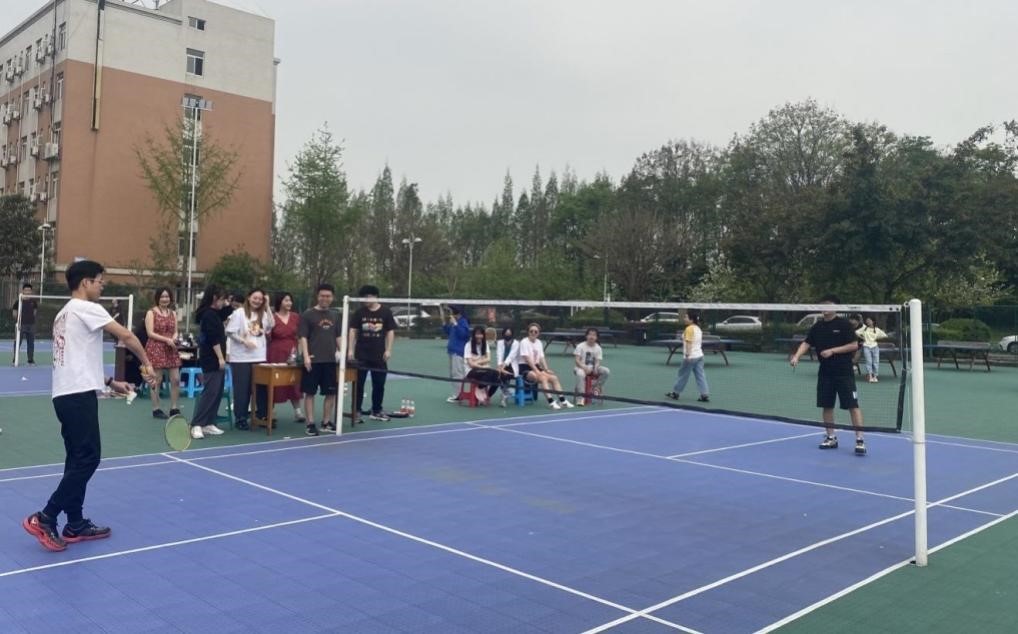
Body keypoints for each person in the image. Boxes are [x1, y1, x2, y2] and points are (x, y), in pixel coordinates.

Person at [22, 260, 157, 552]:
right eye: (99, 281)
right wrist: (147, 364)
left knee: (76, 459)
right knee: (88, 459)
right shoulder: (87, 308)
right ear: (85, 283)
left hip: (65, 394)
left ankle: (75, 523)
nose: (102, 285)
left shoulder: (64, 313)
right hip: (77, 396)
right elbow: (127, 336)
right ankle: (45, 517)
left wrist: (110, 382)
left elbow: (77, 358)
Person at [790, 295, 866, 455]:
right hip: (825, 372)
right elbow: (807, 342)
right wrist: (797, 356)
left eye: (827, 304)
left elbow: (854, 345)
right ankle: (831, 437)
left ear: (835, 307)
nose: (824, 307)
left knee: (853, 405)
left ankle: (860, 440)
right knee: (827, 405)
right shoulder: (817, 326)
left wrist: (833, 351)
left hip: (844, 372)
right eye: (822, 304)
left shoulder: (844, 325)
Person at [226, 289, 274, 431]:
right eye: (255, 298)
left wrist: (268, 306)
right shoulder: (239, 313)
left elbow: (271, 325)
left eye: (260, 299)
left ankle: (262, 415)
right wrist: (243, 341)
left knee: (261, 388)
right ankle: (240, 418)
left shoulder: (263, 314)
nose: (257, 301)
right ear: (249, 298)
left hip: (259, 356)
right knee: (243, 389)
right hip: (241, 358)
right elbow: (230, 331)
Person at [348, 285, 397, 422]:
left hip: (379, 355)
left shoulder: (386, 312)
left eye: (368, 297)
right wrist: (350, 350)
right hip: (361, 355)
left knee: (379, 384)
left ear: (375, 297)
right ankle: (356, 411)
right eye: (363, 297)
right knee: (358, 384)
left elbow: (390, 331)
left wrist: (388, 349)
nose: (366, 300)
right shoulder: (359, 312)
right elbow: (353, 331)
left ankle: (376, 410)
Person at [299, 284, 342, 436]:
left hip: (330, 361)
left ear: (332, 298)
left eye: (328, 296)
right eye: (322, 296)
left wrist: (343, 353)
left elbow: (338, 336)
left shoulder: (335, 315)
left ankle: (326, 422)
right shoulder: (308, 314)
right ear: (317, 297)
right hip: (313, 360)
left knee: (331, 393)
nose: (325, 298)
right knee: (310, 393)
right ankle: (310, 424)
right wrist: (306, 356)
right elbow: (303, 337)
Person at [190, 285, 230, 439]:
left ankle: (208, 423)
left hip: (217, 358)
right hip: (211, 358)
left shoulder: (215, 313)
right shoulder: (208, 315)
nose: (223, 302)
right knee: (210, 391)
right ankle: (197, 424)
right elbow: (213, 338)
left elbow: (226, 311)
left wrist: (227, 303)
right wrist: (220, 358)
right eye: (222, 298)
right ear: (214, 298)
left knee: (217, 391)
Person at [267, 292, 305, 422]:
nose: (289, 303)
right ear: (279, 302)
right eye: (286, 300)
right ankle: (270, 412)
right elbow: (267, 336)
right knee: (274, 381)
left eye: (290, 300)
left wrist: (299, 354)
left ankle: (298, 412)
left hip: (292, 352)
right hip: (275, 353)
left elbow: (300, 336)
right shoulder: (272, 318)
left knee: (294, 381)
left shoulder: (296, 317)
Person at [144, 287, 182, 419]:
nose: (165, 299)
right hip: (156, 347)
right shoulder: (151, 313)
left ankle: (174, 407)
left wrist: (174, 338)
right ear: (157, 298)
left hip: (171, 348)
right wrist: (166, 339)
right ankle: (156, 409)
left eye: (167, 296)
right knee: (157, 379)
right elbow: (150, 333)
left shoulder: (173, 313)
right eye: (162, 297)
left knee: (176, 379)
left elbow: (175, 331)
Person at [518, 323, 573, 409]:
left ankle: (563, 401)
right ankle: (551, 402)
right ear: (528, 332)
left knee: (554, 378)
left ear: (538, 333)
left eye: (535, 331)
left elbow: (541, 357)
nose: (533, 333)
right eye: (531, 331)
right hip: (524, 367)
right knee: (543, 378)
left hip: (536, 366)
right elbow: (527, 359)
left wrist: (546, 369)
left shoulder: (539, 342)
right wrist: (537, 371)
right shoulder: (524, 342)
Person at [665, 310, 710, 403]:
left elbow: (689, 342)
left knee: (682, 375)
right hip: (700, 356)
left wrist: (688, 355)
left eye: (686, 317)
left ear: (691, 319)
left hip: (691, 357)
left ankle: (675, 393)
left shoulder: (689, 329)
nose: (684, 318)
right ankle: (704, 394)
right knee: (700, 375)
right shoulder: (698, 329)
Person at [463, 326, 501, 404]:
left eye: (481, 334)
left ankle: (488, 396)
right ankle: (480, 388)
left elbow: (488, 359)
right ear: (474, 335)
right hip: (470, 371)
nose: (479, 336)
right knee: (489, 372)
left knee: (497, 376)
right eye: (477, 334)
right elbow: (470, 364)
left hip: (482, 370)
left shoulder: (485, 344)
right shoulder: (468, 345)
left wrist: (477, 362)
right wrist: (482, 366)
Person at [573, 327, 610, 404]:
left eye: (594, 335)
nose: (591, 337)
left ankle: (596, 388)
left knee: (606, 371)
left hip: (592, 368)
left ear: (597, 337)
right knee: (580, 374)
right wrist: (584, 367)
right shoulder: (580, 346)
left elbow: (598, 361)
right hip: (580, 367)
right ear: (586, 336)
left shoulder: (598, 348)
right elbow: (577, 360)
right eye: (590, 334)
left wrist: (596, 367)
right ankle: (581, 398)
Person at [442, 305, 471, 403]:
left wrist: (455, 324)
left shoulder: (463, 322)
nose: (452, 313)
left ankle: (459, 395)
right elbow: (448, 332)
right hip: (451, 351)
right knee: (453, 374)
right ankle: (458, 394)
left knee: (457, 374)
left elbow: (464, 335)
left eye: (453, 311)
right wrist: (444, 323)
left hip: (458, 351)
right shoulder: (455, 322)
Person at [11, 282, 38, 365]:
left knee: (31, 343)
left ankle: (30, 360)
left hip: (31, 325)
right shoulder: (18, 301)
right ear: (23, 291)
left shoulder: (33, 302)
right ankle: (15, 359)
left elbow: (34, 312)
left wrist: (30, 319)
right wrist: (18, 322)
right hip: (20, 325)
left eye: (29, 290)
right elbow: (14, 313)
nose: (27, 292)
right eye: (26, 290)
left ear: (31, 291)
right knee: (17, 342)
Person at [856, 316, 888, 383]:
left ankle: (875, 376)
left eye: (869, 320)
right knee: (869, 361)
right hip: (866, 346)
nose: (867, 321)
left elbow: (885, 335)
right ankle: (870, 376)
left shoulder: (877, 329)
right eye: (867, 320)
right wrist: (863, 338)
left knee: (876, 362)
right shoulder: (864, 328)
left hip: (875, 346)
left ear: (873, 321)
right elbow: (856, 332)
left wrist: (876, 338)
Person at [495, 326, 520, 407]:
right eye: (506, 334)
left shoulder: (516, 343)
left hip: (512, 366)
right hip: (501, 365)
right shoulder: (500, 342)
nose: (507, 335)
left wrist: (503, 367)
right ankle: (505, 393)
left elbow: (511, 356)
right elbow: (499, 354)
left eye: (509, 334)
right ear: (503, 334)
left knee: (505, 374)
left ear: (512, 334)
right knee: (498, 374)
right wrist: (500, 365)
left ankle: (504, 394)